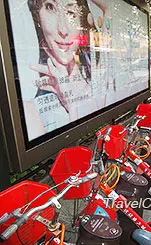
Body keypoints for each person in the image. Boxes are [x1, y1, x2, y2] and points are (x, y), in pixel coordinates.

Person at [25, 0, 109, 140]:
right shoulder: (29, 110)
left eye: (71, 12)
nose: (63, 30)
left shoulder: (100, 83)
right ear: (37, 17)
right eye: (50, 7)